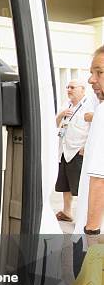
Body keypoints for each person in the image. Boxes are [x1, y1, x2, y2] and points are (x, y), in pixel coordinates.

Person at [55, 46, 104, 285]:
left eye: (99, 72)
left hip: (99, 227)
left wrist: (91, 233)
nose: (92, 79)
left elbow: (99, 177)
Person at [55, 79, 94, 222]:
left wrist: (86, 147)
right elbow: (57, 123)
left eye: (72, 87)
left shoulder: (90, 105)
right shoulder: (67, 104)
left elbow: (95, 128)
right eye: (68, 87)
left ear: (82, 89)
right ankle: (67, 212)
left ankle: (85, 217)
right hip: (65, 150)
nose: (69, 90)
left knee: (80, 186)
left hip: (78, 150)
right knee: (65, 184)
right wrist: (61, 114)